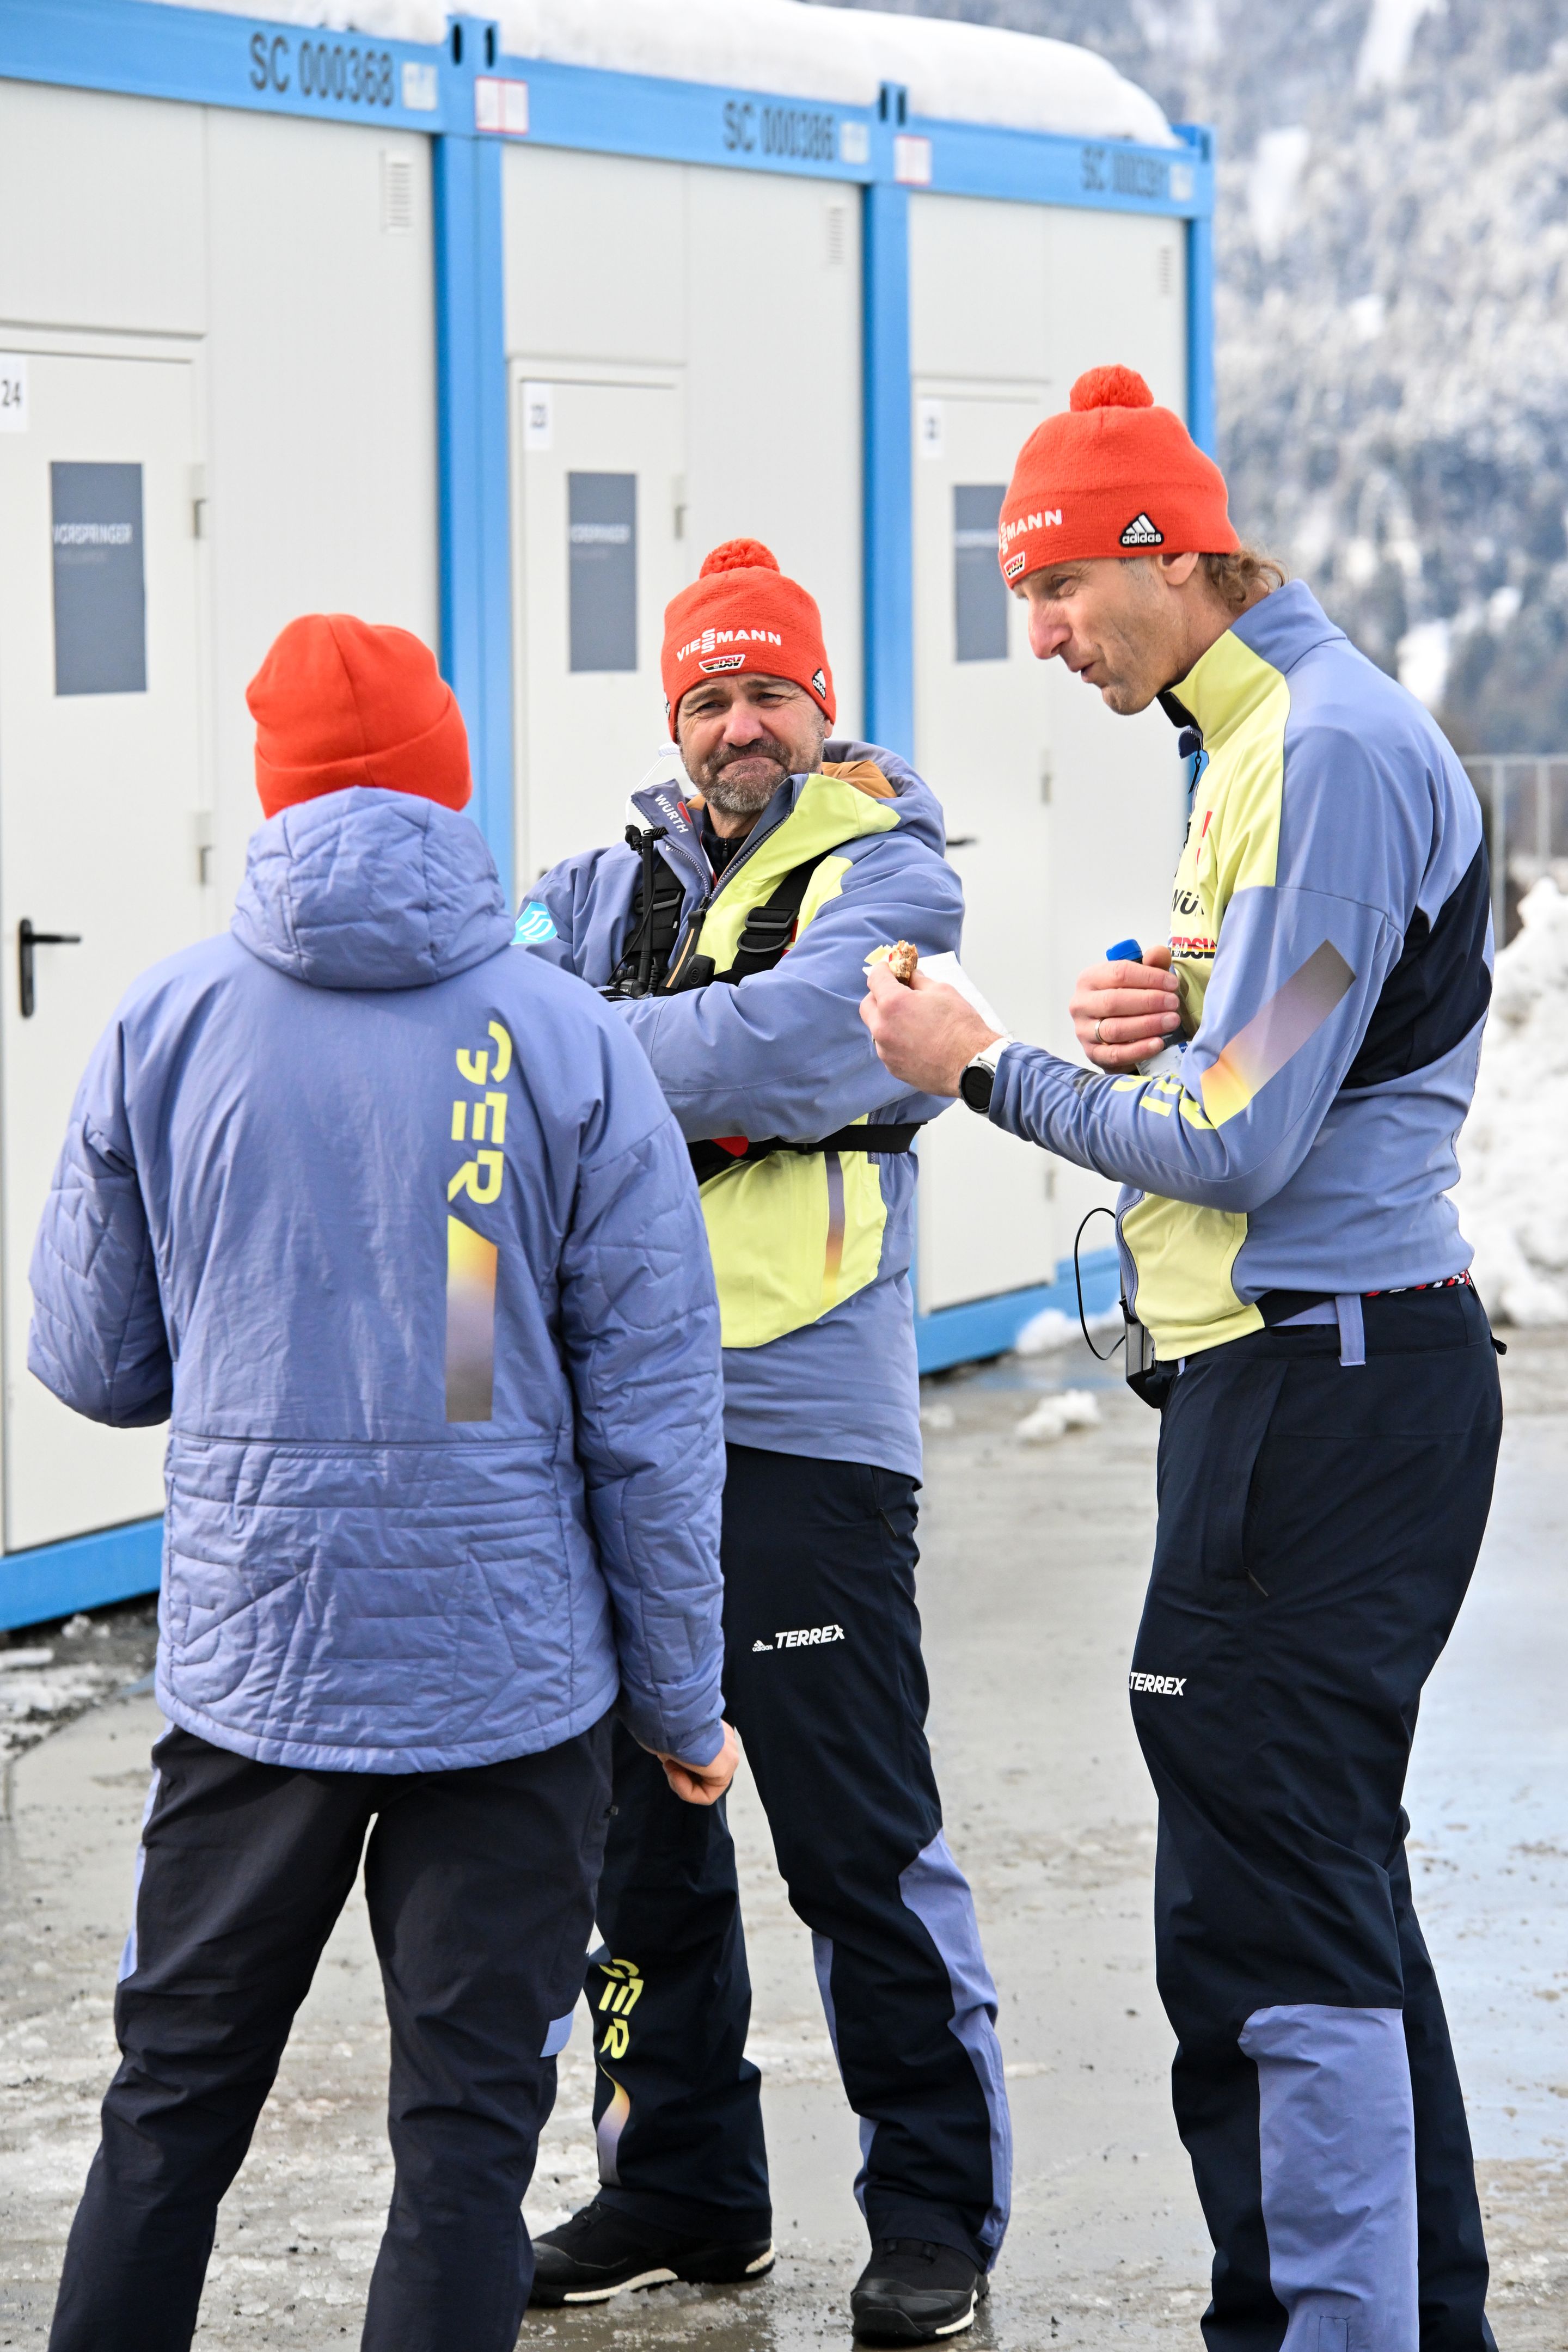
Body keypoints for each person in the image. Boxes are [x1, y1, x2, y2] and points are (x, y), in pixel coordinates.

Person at [862, 367, 1501, 2352]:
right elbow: (1290, 1033)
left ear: (1162, 551)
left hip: (1324, 1388)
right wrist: (1180, 1003)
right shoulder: (1251, 740)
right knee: (1326, 1888)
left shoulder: (1322, 744)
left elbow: (1241, 1142)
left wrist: (987, 1068)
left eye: (1055, 588)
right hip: (1303, 1378)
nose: (1041, 637)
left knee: (1264, 1914)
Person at [30, 614, 735, 2352]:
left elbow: (94, 1361)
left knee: (171, 2109)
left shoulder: (164, 1022)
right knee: (464, 2146)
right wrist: (682, 1700)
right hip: (505, 1687)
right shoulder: (563, 1039)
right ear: (450, 782)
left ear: (273, 795)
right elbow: (654, 1416)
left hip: (255, 1672)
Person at [516, 540, 1010, 2345]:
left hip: (808, 1411)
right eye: (709, 696)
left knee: (854, 1831)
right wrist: (638, 1053)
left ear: (822, 708)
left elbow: (811, 1052)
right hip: (614, 1419)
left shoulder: (889, 867)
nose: (741, 724)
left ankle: (935, 2210)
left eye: (770, 692)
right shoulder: (591, 879)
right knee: (635, 1836)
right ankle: (682, 2185)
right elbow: (489, 1051)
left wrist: (594, 1048)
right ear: (677, 717)